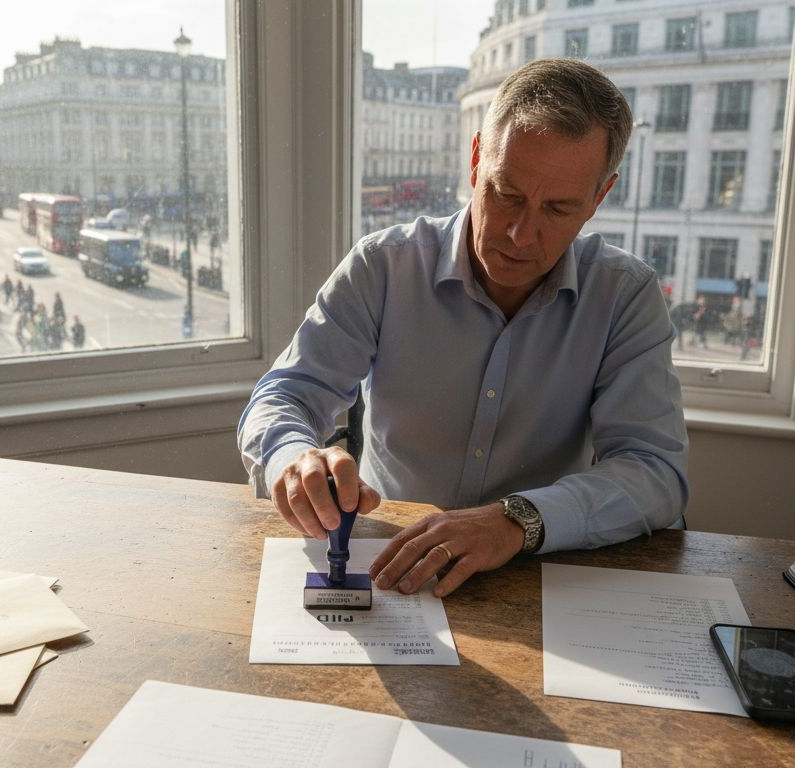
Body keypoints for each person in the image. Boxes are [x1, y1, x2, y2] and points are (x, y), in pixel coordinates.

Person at [238, 58, 687, 600]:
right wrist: (292, 458)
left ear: (599, 198)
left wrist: (513, 522)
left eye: (559, 208)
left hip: (534, 575)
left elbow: (655, 471)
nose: (523, 235)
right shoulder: (384, 266)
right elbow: (285, 394)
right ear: (476, 161)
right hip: (388, 560)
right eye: (507, 194)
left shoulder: (625, 295)